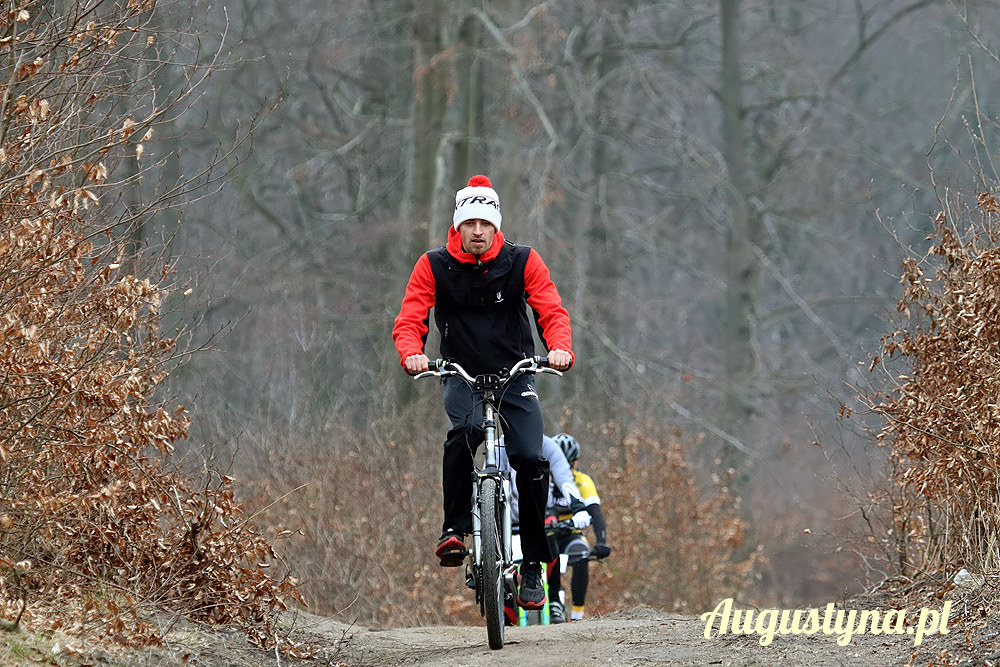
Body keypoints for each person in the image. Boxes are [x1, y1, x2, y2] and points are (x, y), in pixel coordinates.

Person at [392, 174, 574, 610]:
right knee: (464, 433)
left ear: (496, 226)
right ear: (457, 227)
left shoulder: (523, 260)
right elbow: (411, 316)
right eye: (469, 223)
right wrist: (411, 353)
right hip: (461, 374)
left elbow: (551, 309)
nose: (477, 231)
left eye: (484, 223)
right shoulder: (433, 265)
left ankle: (532, 563)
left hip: (516, 374)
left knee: (530, 457)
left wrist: (561, 348)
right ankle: (454, 531)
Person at [548, 432, 611, 622]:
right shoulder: (542, 480)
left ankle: (577, 615)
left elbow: (596, 513)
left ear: (575, 463)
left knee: (581, 553)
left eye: (569, 464)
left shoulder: (582, 481)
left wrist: (601, 542)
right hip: (545, 533)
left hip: (570, 535)